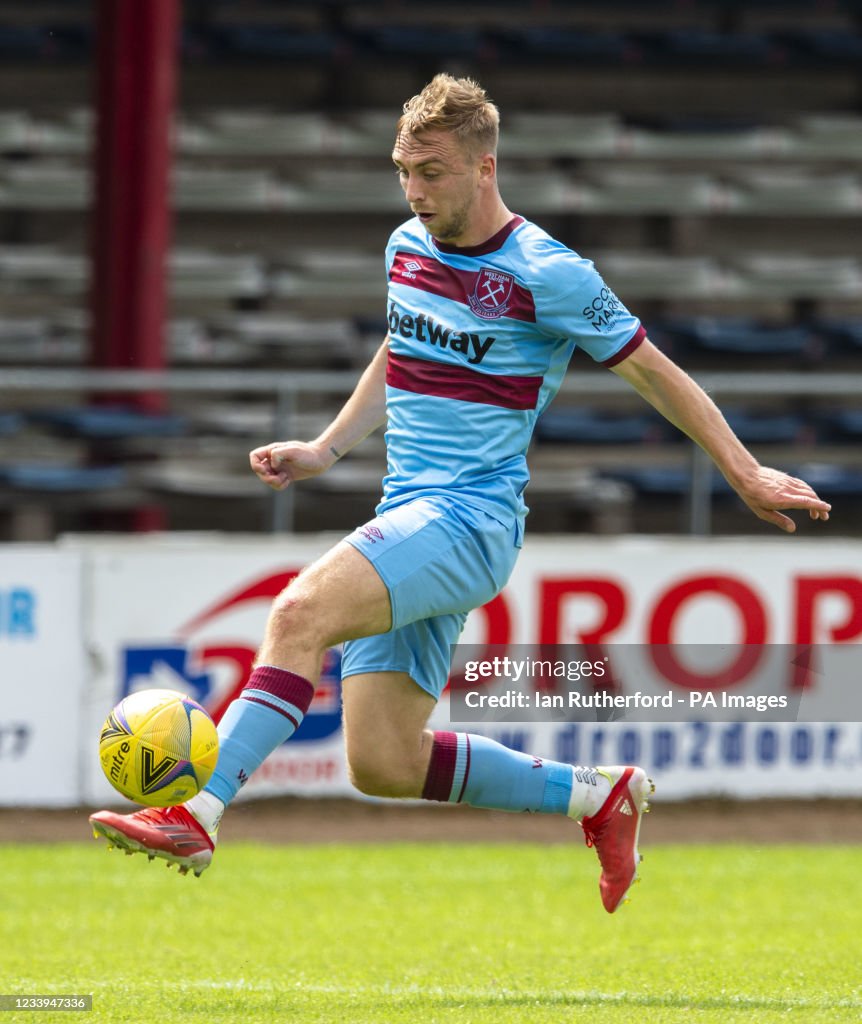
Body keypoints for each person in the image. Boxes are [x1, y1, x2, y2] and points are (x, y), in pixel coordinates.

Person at [90, 74, 831, 914]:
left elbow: (658, 375)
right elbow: (400, 345)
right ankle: (599, 796)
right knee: (384, 763)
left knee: (298, 615)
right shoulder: (408, 244)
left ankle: (199, 808)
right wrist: (327, 447)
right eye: (405, 170)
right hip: (407, 514)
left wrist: (742, 471)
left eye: (432, 172)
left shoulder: (549, 272)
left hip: (470, 519)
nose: (415, 190)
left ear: (485, 165)